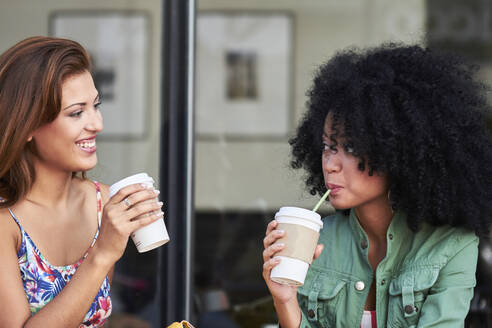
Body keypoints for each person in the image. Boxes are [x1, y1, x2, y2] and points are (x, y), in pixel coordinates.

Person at [262, 43, 492, 327]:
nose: (330, 163)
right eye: (327, 146)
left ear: (396, 151)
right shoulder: (314, 245)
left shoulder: (451, 246)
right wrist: (285, 299)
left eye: (350, 146)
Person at [0, 36, 164, 327]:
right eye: (76, 113)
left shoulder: (103, 204)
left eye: (95, 106)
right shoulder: (5, 222)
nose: (97, 124)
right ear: (27, 125)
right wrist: (103, 253)